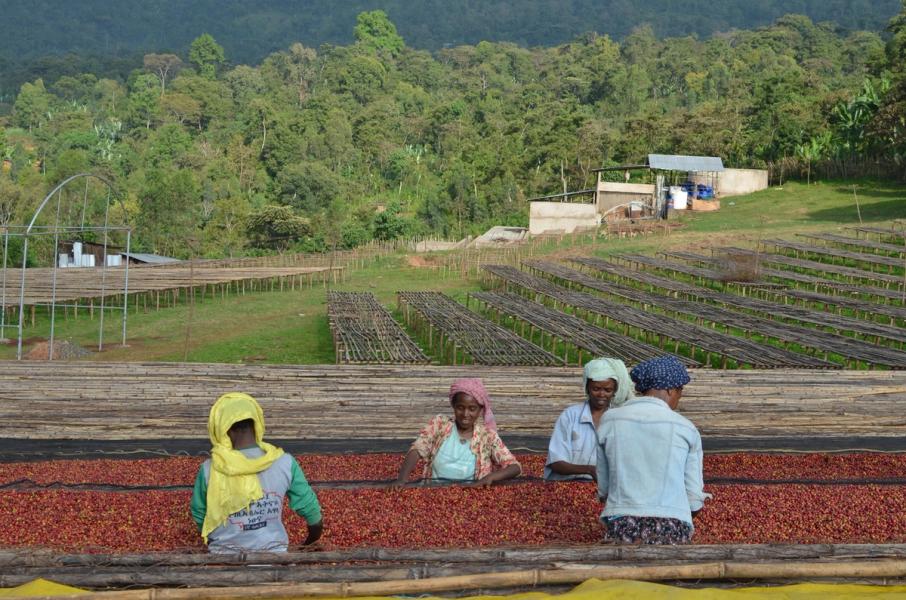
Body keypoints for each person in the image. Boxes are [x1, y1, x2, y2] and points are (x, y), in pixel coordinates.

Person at [190, 392, 323, 553]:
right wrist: (308, 543)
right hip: (274, 560)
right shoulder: (284, 462)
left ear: (224, 430)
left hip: (223, 563)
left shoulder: (209, 469)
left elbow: (200, 518)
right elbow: (314, 516)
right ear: (256, 424)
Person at [595, 355, 707, 544]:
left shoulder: (610, 420)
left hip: (622, 523)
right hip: (672, 527)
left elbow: (604, 488)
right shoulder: (686, 428)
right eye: (680, 392)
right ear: (671, 389)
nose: (679, 398)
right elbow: (694, 499)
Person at [392, 378, 521, 487]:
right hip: (433, 492)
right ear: (453, 406)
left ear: (480, 410)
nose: (465, 414)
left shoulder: (487, 436)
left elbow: (514, 467)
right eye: (460, 408)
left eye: (472, 409)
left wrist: (491, 477)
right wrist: (402, 479)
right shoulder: (440, 424)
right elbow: (417, 449)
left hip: (472, 496)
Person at [544, 357, 633, 481]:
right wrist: (589, 470)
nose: (601, 394)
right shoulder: (570, 416)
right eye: (596, 389)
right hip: (565, 484)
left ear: (614, 392)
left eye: (607, 390)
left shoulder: (619, 419)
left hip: (604, 488)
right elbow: (556, 462)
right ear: (587, 388)